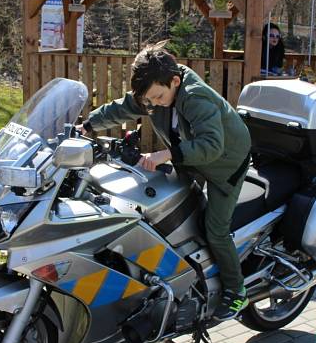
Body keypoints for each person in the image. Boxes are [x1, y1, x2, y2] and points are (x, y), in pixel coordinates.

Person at [79, 43, 252, 320]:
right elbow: (124, 108)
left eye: (159, 97)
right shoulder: (157, 89)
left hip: (225, 164)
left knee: (215, 229)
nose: (155, 103)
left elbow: (212, 145)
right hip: (190, 156)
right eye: (150, 99)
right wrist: (87, 126)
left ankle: (236, 290)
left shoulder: (196, 97)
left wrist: (166, 154)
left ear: (175, 81)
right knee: (169, 207)